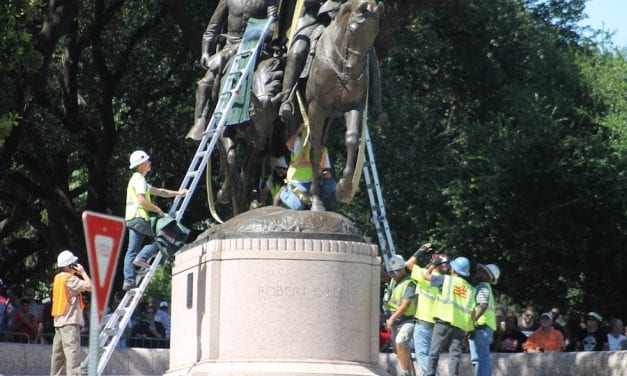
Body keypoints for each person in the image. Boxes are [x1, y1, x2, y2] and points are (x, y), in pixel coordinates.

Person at [188, 0, 279, 140]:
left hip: (255, 48)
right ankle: (200, 121)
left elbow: (273, 24)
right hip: (230, 48)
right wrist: (205, 51)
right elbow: (213, 27)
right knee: (205, 83)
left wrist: (259, 34)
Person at [123, 150, 187, 291]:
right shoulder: (139, 179)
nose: (150, 162)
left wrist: (178, 193)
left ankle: (128, 280)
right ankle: (143, 257)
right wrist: (158, 210)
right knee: (164, 236)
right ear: (141, 165)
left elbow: (159, 191)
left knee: (131, 250)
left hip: (131, 219)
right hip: (139, 217)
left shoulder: (136, 180)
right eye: (147, 161)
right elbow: (141, 201)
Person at [423, 256, 475, 376]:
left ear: (454, 270)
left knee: (434, 352)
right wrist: (472, 328)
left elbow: (426, 276)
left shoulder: (446, 280)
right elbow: (472, 311)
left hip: (443, 320)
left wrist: (432, 265)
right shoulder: (471, 289)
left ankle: (429, 374)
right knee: (455, 356)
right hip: (460, 326)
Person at [406, 243, 450, 376]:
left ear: (434, 261)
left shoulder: (425, 276)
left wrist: (422, 249)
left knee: (423, 357)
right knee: (431, 358)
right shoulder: (447, 280)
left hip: (424, 323)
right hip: (439, 324)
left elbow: (409, 264)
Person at [50, 250, 93, 376]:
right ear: (70, 265)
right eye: (74, 263)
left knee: (58, 356)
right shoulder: (70, 279)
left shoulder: (58, 278)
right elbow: (90, 287)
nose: (77, 264)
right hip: (69, 322)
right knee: (72, 355)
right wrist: (83, 272)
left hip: (58, 322)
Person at [279, 124, 336, 210]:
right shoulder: (300, 143)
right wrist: (298, 130)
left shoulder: (323, 150)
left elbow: (325, 169)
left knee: (331, 185)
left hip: (314, 182)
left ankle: (313, 200)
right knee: (298, 207)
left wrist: (326, 173)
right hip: (298, 182)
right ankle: (284, 193)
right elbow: (289, 144)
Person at [382, 255, 416, 376]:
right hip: (395, 322)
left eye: (396, 272)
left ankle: (405, 373)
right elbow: (385, 277)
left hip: (407, 320)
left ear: (403, 269)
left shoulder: (409, 283)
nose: (393, 275)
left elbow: (405, 305)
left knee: (400, 341)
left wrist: (391, 319)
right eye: (391, 273)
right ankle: (408, 371)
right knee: (398, 349)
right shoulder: (393, 280)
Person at [469, 263, 500, 376]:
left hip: (481, 327)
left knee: (480, 360)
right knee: (480, 360)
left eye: (481, 271)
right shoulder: (484, 287)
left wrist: (470, 322)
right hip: (483, 328)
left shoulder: (483, 286)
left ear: (487, 275)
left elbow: (483, 305)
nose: (478, 272)